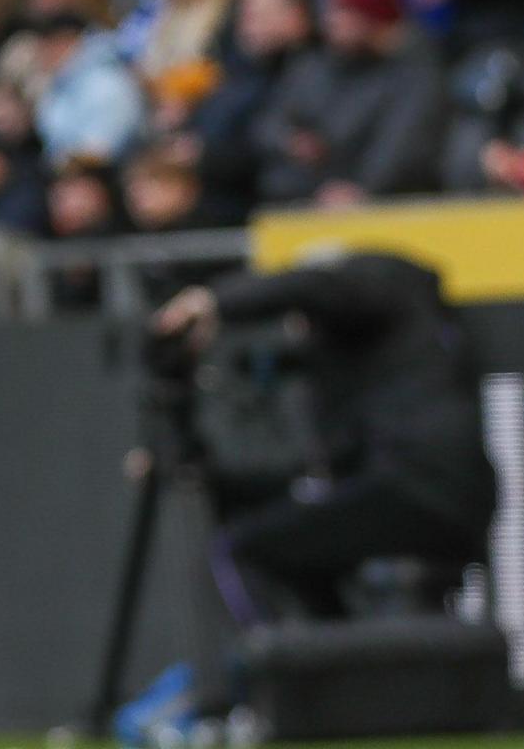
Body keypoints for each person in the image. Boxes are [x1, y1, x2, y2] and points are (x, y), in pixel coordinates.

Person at [151, 250, 497, 633]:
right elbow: (319, 470)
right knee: (301, 553)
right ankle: (340, 673)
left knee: (243, 551)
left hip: (416, 487)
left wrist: (213, 301)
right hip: (438, 492)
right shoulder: (389, 354)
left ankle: (292, 681)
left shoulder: (373, 285)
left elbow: (320, 288)